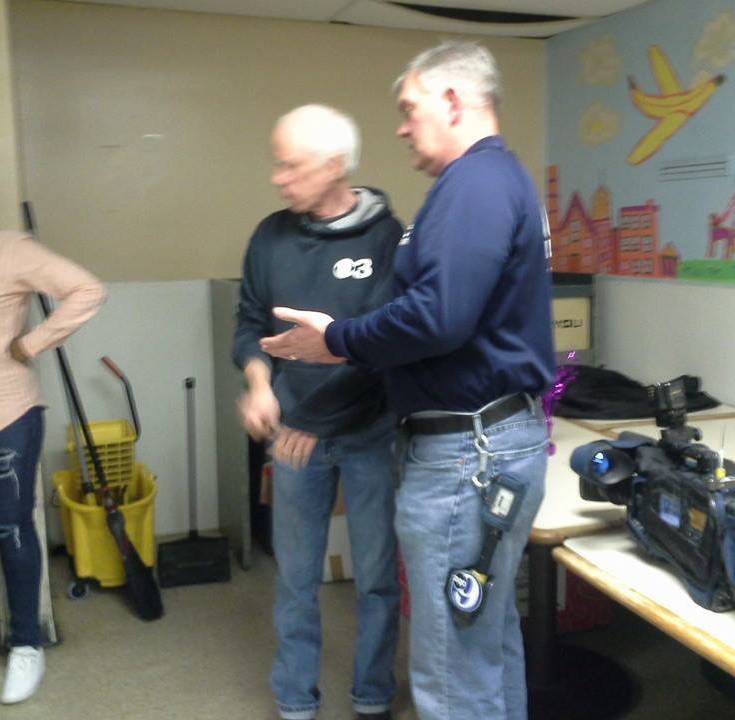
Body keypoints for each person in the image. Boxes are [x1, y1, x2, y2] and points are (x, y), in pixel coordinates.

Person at [260, 42, 555, 720]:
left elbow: (437, 317)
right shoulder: (492, 180)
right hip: (488, 441)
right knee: (483, 643)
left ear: (452, 101)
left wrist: (336, 339)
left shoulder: (474, 184)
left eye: (408, 109)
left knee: (452, 664)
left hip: (467, 458)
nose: (400, 127)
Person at [232, 104, 402, 720]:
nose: (276, 178)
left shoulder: (388, 239)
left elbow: (383, 347)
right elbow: (250, 324)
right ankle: (296, 701)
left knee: (377, 578)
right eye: (276, 165)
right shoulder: (270, 236)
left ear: (334, 166)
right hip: (293, 437)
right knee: (296, 578)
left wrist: (309, 419)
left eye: (290, 166)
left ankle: (372, 696)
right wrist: (260, 383)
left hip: (366, 433)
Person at [0, 158, 106, 704]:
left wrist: (30, 343)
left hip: (3, 416)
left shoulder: (8, 250)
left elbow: (86, 290)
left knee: (10, 531)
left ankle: (26, 644)